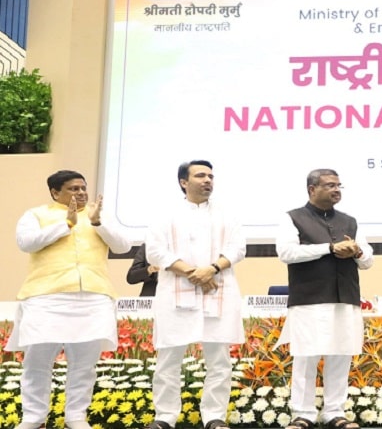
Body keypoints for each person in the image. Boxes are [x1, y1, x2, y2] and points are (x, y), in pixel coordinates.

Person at [7, 170, 131, 429]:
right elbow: (26, 243)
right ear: (55, 192)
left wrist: (98, 223)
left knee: (84, 364)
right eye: (74, 189)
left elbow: (123, 247)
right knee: (37, 361)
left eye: (83, 188)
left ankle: (76, 417)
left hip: (93, 297)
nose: (81, 193)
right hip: (46, 297)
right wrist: (66, 224)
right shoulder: (37, 214)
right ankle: (33, 418)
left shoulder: (97, 216)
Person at [145, 160, 246, 429]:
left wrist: (211, 269)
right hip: (176, 294)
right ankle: (165, 418)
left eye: (211, 176)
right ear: (183, 182)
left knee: (219, 361)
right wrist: (194, 273)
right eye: (200, 175)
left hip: (218, 291)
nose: (208, 180)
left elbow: (238, 249)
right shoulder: (165, 214)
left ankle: (214, 417)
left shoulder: (227, 214)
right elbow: (155, 252)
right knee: (168, 360)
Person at [275, 169, 373, 429]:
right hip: (309, 298)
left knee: (341, 354)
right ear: (312, 189)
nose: (336, 189)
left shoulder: (349, 221)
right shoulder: (293, 218)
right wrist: (329, 248)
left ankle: (334, 412)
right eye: (330, 185)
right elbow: (286, 252)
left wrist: (357, 250)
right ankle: (303, 413)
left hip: (345, 297)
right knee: (306, 355)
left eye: (339, 185)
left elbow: (368, 261)